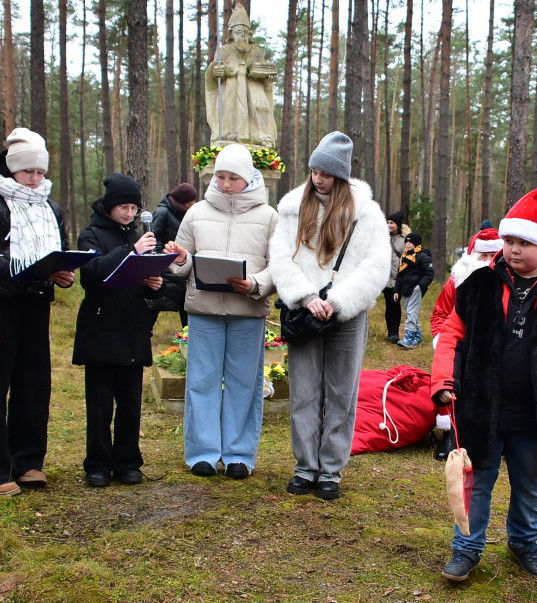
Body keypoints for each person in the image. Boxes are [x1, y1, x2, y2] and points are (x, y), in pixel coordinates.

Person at [432, 186, 537, 582]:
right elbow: (452, 336)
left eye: (523, 242)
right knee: (477, 480)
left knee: (530, 484)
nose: (512, 249)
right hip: (483, 406)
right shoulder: (478, 286)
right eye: (508, 240)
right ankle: (467, 547)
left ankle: (524, 542)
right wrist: (442, 379)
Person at [270, 131, 391, 500]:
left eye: (326, 172)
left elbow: (376, 265)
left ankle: (331, 472)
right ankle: (305, 467)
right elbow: (280, 258)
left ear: (341, 176)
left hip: (346, 315)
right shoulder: (292, 207)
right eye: (314, 170)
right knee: (304, 392)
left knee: (341, 393)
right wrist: (306, 297)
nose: (318, 178)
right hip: (305, 313)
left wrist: (337, 302)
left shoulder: (365, 213)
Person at [0, 128, 75, 497]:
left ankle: (28, 461)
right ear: (12, 169)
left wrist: (63, 274)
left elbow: (60, 251)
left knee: (34, 385)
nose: (36, 178)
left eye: (41, 172)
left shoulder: (49, 207)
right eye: (29, 172)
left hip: (35, 305)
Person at [164, 145, 278, 479]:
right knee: (201, 382)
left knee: (245, 383)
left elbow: (279, 265)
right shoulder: (196, 212)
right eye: (221, 176)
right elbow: (181, 264)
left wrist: (255, 283)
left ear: (249, 178)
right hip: (204, 311)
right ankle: (202, 453)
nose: (226, 184)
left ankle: (239, 455)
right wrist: (181, 259)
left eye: (234, 178)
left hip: (248, 310)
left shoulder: (269, 216)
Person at [73, 174, 166, 487]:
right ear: (110, 207)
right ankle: (97, 464)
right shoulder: (91, 234)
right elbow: (92, 274)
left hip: (132, 329)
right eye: (124, 207)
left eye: (134, 208)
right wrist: (132, 251)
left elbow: (142, 281)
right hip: (100, 329)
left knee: (130, 403)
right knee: (100, 405)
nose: (129, 213)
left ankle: (128, 462)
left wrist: (153, 284)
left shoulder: (138, 235)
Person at [429, 227, 503, 460]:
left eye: (494, 256)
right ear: (472, 256)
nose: (488, 262)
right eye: (484, 256)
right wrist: (442, 339)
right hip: (459, 345)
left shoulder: (506, 282)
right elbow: (440, 314)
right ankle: (450, 435)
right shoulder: (457, 281)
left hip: (493, 347)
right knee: (453, 389)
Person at [204, 4, 277, 146]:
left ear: (250, 35)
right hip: (231, 90)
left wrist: (268, 77)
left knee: (260, 105)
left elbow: (265, 75)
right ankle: (228, 132)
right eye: (239, 32)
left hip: (253, 91)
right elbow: (214, 72)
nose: (242, 36)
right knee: (228, 103)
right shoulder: (224, 51)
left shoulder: (256, 52)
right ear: (232, 34)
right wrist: (217, 72)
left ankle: (260, 135)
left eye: (245, 32)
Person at [149, 182, 196, 327]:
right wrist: (164, 263)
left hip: (181, 274)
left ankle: (187, 343)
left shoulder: (184, 215)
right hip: (164, 273)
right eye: (192, 200)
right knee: (150, 314)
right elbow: (152, 240)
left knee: (188, 319)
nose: (194, 203)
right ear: (185, 200)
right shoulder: (162, 213)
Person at [393, 232, 434, 348]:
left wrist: (420, 286)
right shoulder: (404, 257)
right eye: (406, 242)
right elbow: (400, 275)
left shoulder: (423, 257)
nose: (407, 244)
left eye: (410, 242)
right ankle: (417, 335)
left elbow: (430, 274)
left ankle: (409, 338)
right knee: (410, 313)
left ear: (416, 244)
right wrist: (396, 290)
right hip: (405, 289)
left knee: (411, 313)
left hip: (416, 289)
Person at [382, 211, 406, 343]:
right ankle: (390, 332)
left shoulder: (403, 242)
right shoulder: (383, 239)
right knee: (388, 305)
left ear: (397, 225)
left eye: (391, 223)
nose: (389, 225)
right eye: (388, 222)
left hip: (398, 280)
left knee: (395, 305)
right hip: (385, 279)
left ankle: (395, 333)